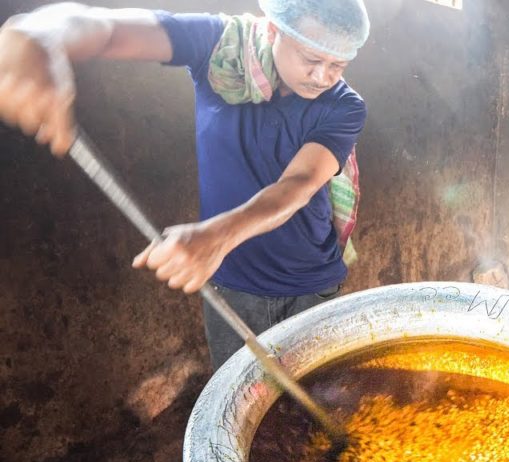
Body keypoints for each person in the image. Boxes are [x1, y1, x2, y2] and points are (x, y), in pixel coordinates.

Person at [0, 0, 370, 368]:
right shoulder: (218, 48)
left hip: (312, 283)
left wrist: (217, 236)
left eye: (337, 65)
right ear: (274, 30)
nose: (322, 77)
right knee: (243, 409)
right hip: (233, 284)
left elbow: (301, 182)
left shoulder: (345, 106)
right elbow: (109, 30)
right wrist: (39, 33)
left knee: (316, 403)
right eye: (311, 60)